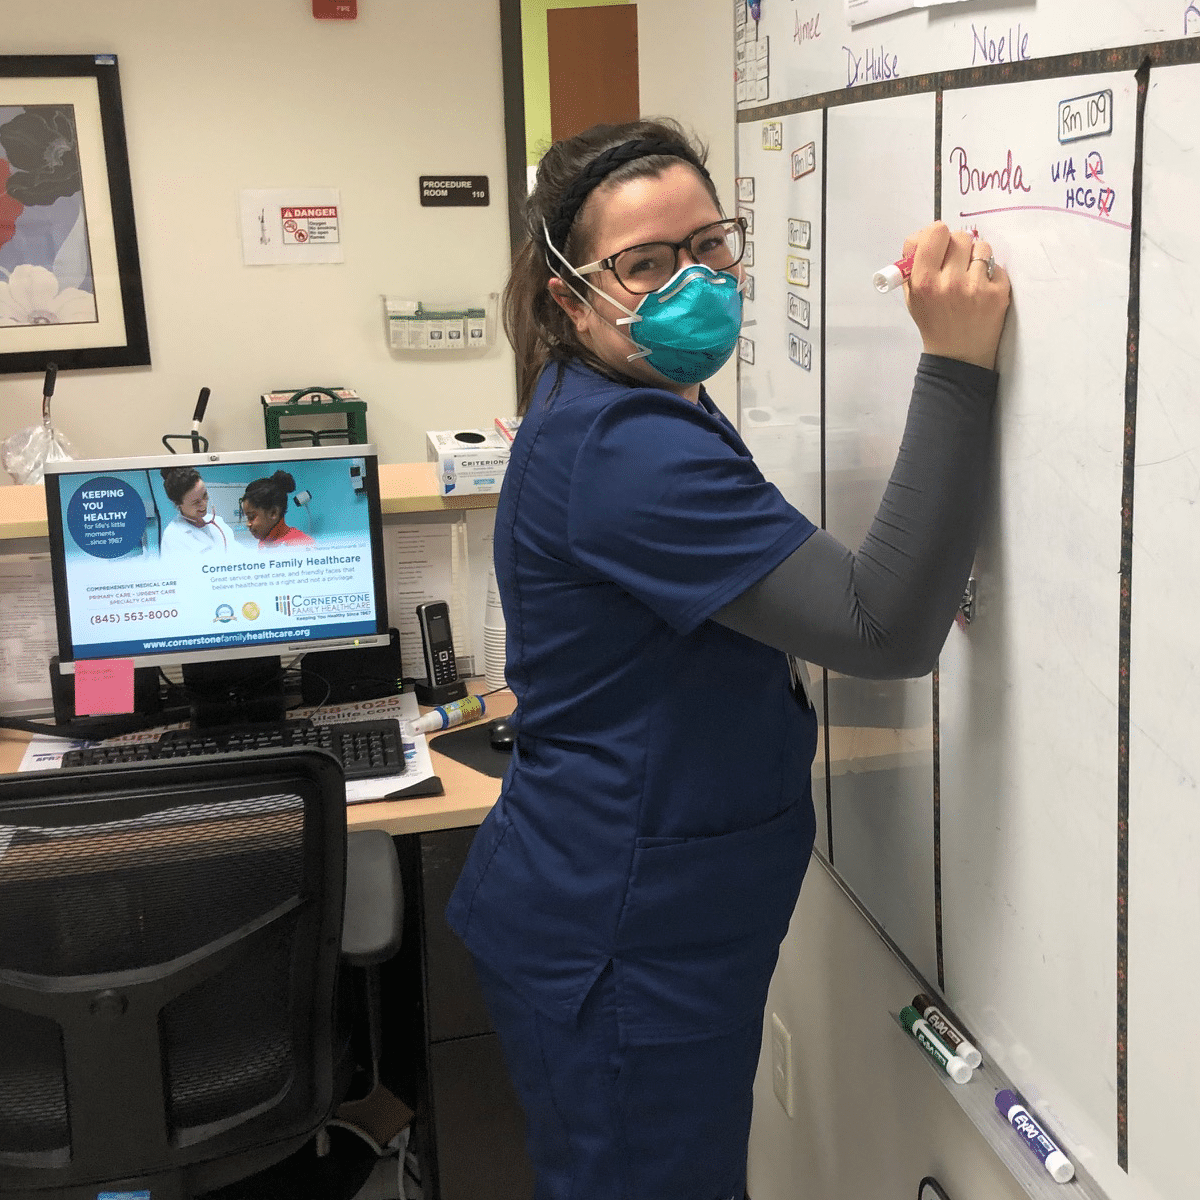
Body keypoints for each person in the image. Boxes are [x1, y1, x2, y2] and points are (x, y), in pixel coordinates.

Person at [445, 118, 1010, 1200]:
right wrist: (955, 362)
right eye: (645, 263)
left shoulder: (633, 400)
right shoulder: (624, 449)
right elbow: (884, 627)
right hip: (621, 942)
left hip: (645, 918)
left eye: (710, 245)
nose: (693, 281)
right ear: (571, 297)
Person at [158, 466, 234, 556]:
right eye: (196, 502)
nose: (204, 504)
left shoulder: (218, 522)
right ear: (178, 503)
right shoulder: (173, 537)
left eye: (205, 495)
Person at [240, 470, 314, 548]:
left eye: (251, 517)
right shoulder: (264, 542)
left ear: (273, 513)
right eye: (247, 518)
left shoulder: (303, 545)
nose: (248, 524)